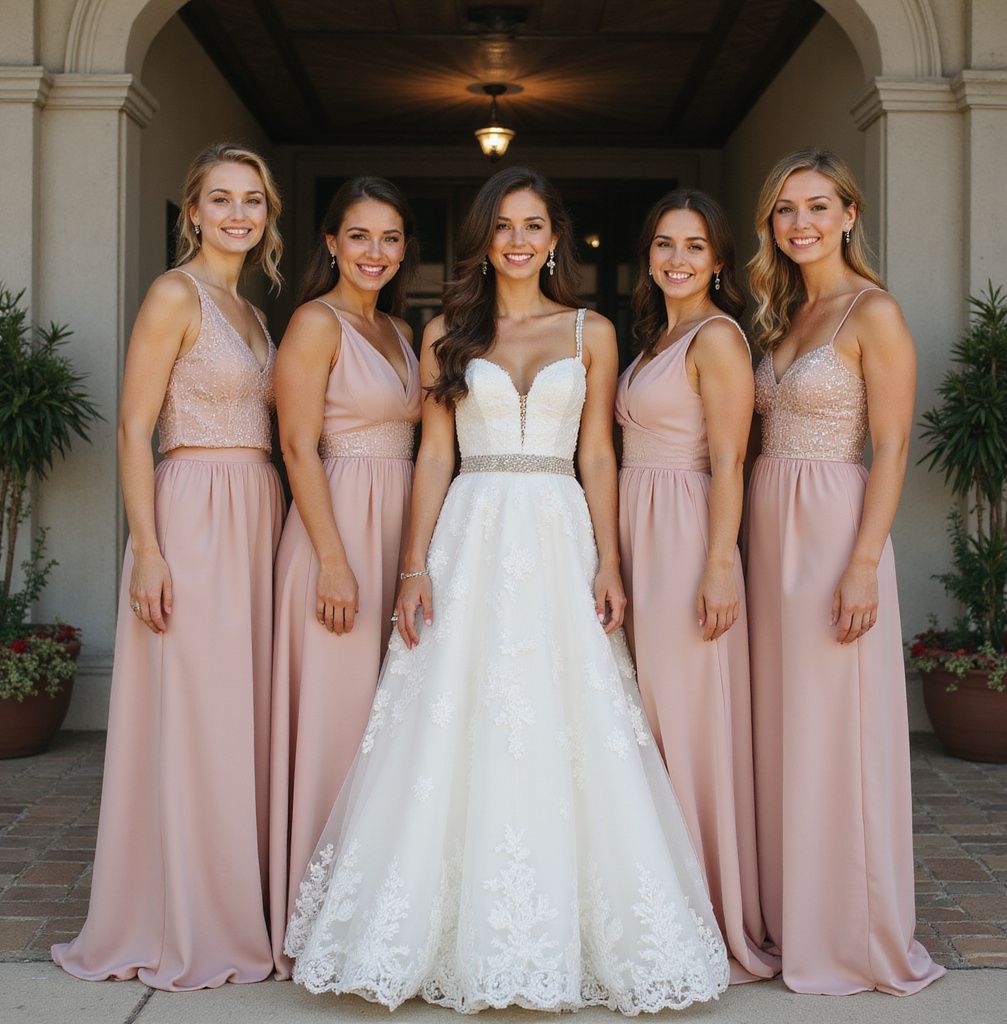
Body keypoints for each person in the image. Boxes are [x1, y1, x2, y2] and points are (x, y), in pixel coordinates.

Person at [283, 167, 729, 1014]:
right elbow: (434, 456)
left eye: (533, 225)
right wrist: (413, 564)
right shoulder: (447, 327)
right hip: (471, 530)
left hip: (559, 531)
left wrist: (608, 560)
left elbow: (598, 452)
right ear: (484, 241)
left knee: (569, 715)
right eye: (503, 227)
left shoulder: (590, 331)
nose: (518, 240)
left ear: (555, 237)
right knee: (459, 714)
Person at [52, 142, 285, 990]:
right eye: (220, 199)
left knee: (238, 716)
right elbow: (131, 428)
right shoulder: (174, 293)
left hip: (257, 507)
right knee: (193, 715)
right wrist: (148, 549)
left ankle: (233, 898)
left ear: (267, 215)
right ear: (192, 211)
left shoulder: (253, 309)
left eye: (252, 200)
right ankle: (184, 914)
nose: (236, 214)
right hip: (191, 508)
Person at [745, 148, 945, 995]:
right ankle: (794, 918)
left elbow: (893, 445)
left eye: (818, 207)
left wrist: (864, 563)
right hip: (767, 529)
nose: (801, 224)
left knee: (839, 732)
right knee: (784, 730)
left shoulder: (873, 312)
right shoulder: (781, 314)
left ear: (850, 214)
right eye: (785, 210)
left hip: (834, 529)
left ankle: (854, 933)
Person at [616, 189, 778, 985]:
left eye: (694, 247)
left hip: (683, 531)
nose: (677, 259)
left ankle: (710, 912)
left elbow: (729, 459)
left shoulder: (717, 338)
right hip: (638, 532)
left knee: (688, 722)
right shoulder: (655, 339)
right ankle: (659, 900)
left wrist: (720, 561)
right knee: (646, 719)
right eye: (663, 245)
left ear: (720, 261)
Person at [268, 178, 420, 977]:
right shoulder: (314, 322)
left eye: (390, 238)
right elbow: (296, 445)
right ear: (330, 242)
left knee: (385, 726)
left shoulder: (399, 331)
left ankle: (369, 910)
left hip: (396, 526)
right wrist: (331, 557)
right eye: (359, 236)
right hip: (335, 531)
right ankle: (310, 918)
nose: (374, 253)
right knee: (334, 725)